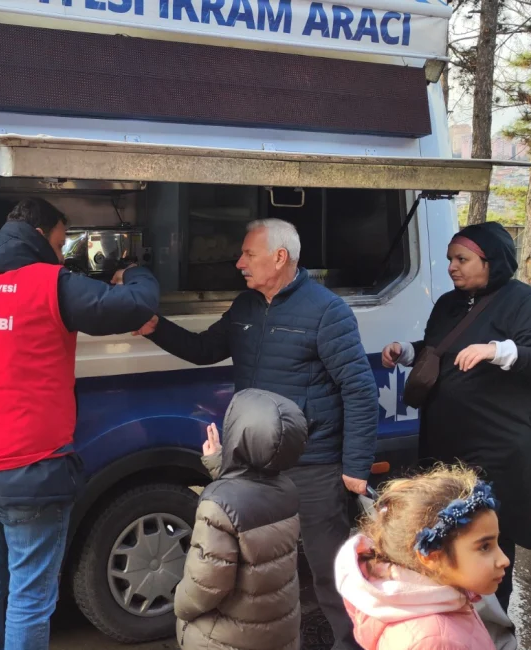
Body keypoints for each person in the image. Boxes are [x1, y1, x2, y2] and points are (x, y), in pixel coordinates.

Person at [0, 198, 160, 650]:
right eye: (62, 242)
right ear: (42, 235)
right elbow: (135, 306)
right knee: (29, 594)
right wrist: (135, 270)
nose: (62, 254)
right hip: (33, 473)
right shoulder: (51, 284)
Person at [137, 218, 379, 650]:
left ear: (279, 256)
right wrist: (157, 327)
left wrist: (356, 467)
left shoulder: (327, 311)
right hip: (254, 465)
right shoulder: (246, 307)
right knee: (259, 575)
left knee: (330, 572)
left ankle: (353, 643)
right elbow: (204, 349)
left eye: (248, 254)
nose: (239, 263)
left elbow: (359, 389)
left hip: (314, 464)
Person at [381, 221, 531, 612]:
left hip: (499, 449)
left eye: (462, 259)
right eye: (451, 258)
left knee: (487, 538)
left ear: (492, 261)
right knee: (446, 532)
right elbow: (440, 350)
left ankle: (493, 623)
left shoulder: (527, 303)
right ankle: (452, 615)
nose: (452, 266)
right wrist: (409, 352)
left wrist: (499, 350)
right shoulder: (450, 304)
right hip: (448, 443)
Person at [175, 389, 309, 650]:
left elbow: (205, 586)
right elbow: (246, 496)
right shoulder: (287, 490)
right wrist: (219, 461)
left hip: (228, 638)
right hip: (279, 632)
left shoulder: (217, 505)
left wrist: (180, 605)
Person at [334, 465, 511, 650]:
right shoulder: (434, 642)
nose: (504, 559)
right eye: (484, 547)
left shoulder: (449, 594)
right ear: (432, 556)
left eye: (496, 543)